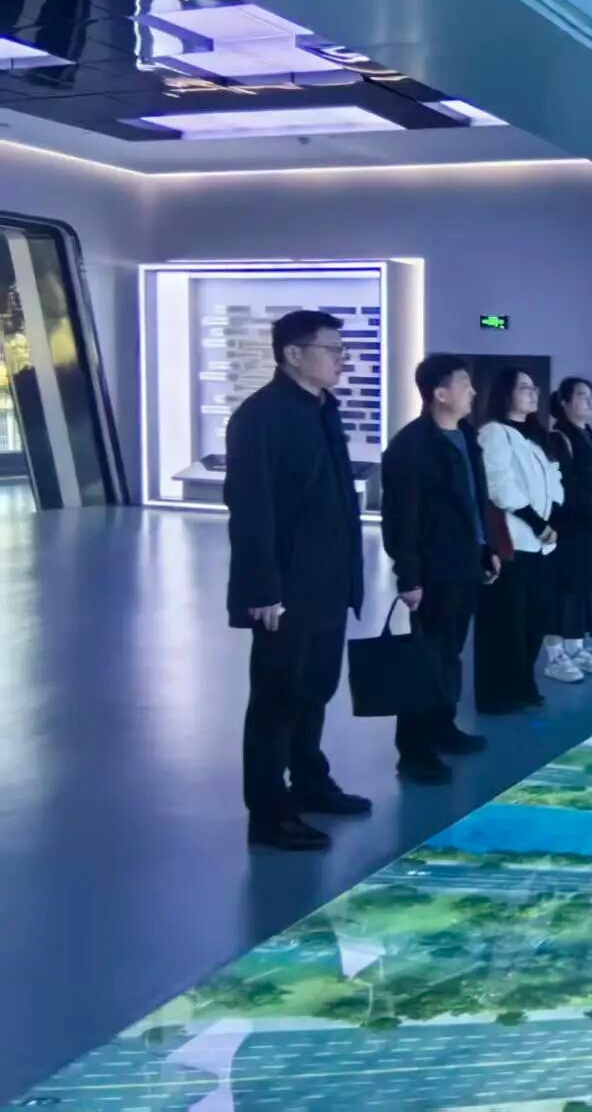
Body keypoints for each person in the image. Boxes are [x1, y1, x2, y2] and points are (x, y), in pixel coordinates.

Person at [225, 309, 369, 851]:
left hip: (328, 581)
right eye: (333, 350)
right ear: (293, 353)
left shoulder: (323, 409)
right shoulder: (260, 417)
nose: (342, 360)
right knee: (276, 701)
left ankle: (310, 780)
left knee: (315, 692)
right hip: (286, 590)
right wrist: (263, 590)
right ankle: (269, 812)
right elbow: (251, 509)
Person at [380, 355, 499, 785]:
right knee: (424, 660)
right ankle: (413, 752)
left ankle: (442, 727)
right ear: (440, 394)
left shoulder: (465, 436)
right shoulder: (411, 446)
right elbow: (401, 518)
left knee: (449, 654)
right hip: (433, 570)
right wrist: (409, 577)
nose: (473, 392)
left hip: (465, 562)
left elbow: (475, 499)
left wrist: (486, 548)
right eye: (465, 384)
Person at [474, 367, 563, 714]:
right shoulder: (494, 433)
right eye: (523, 387)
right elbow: (499, 485)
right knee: (505, 622)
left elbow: (555, 480)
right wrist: (536, 522)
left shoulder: (535, 436)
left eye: (533, 387)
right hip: (514, 540)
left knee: (534, 619)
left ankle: (523, 684)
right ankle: (498, 694)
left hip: (541, 543)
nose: (532, 392)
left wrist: (552, 518)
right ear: (505, 393)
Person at [542, 377, 592, 681]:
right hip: (571, 530)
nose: (591, 401)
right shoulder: (557, 438)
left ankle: (575, 649)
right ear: (564, 403)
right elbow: (567, 487)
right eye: (581, 395)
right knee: (563, 592)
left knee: (586, 590)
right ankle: (555, 656)